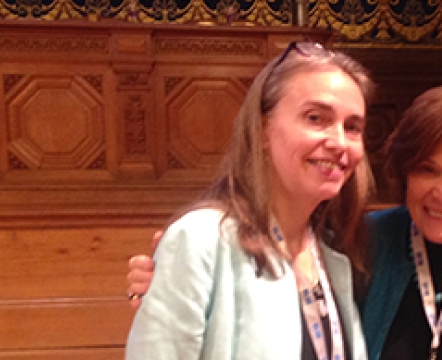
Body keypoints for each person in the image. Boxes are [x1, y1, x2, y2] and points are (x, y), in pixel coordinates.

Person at [128, 85, 442, 360]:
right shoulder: (361, 241)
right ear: (403, 169)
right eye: (427, 169)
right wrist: (171, 279)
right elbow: (276, 283)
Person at [124, 41, 375, 360]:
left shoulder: (334, 253)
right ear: (262, 130)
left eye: (352, 127)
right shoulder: (200, 240)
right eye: (315, 118)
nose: (339, 141)